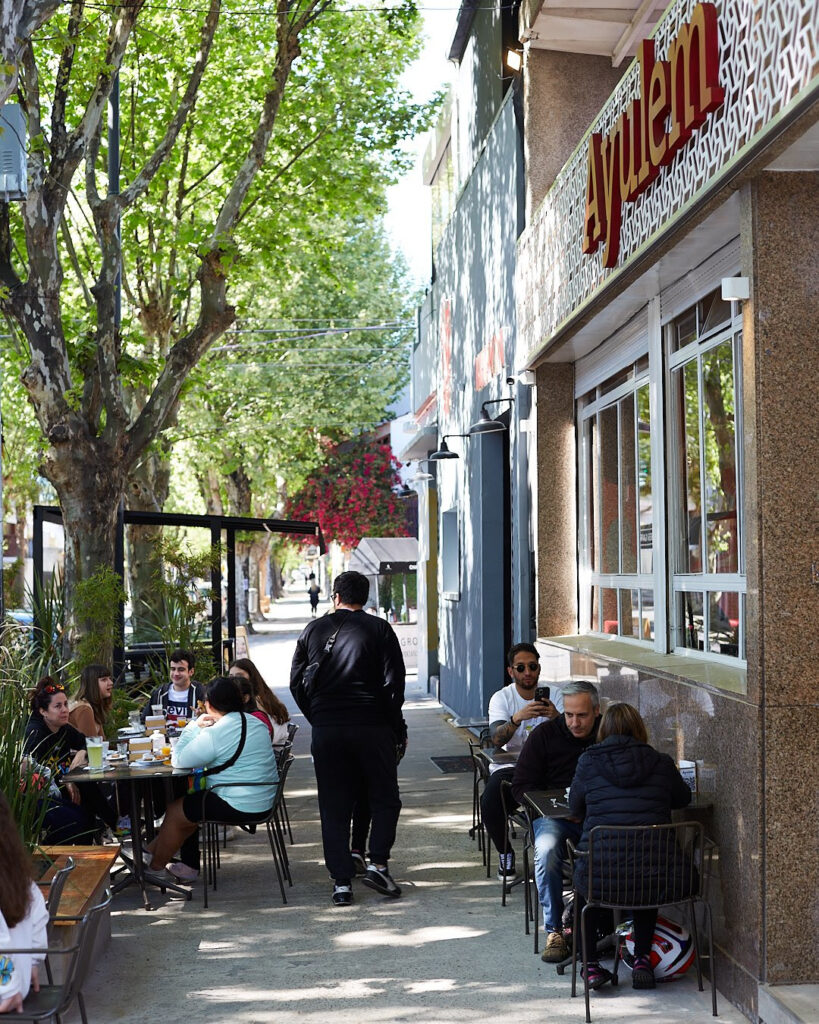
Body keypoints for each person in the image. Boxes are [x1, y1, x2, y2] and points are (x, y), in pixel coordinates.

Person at [290, 570, 406, 906]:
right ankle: (378, 864)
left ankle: (341, 882)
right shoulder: (380, 629)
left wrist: (320, 716)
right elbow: (393, 685)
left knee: (334, 804)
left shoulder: (313, 629)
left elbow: (297, 682)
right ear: (365, 598)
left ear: (335, 596)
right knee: (385, 797)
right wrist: (391, 725)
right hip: (372, 727)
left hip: (328, 730)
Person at [568, 702, 693, 991]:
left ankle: (590, 967)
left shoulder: (588, 760)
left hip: (601, 877)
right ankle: (642, 961)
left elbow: (574, 807)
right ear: (639, 729)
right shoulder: (660, 762)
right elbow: (683, 799)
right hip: (661, 876)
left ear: (604, 730)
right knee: (644, 874)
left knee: (588, 886)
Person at [139, 676, 279, 888]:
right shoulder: (256, 722)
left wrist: (194, 725)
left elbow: (179, 759)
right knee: (188, 810)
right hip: (265, 799)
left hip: (238, 803)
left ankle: (153, 870)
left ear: (209, 705)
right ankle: (149, 854)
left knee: (178, 811)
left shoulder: (217, 732)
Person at [512, 680, 601, 964]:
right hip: (554, 817)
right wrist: (547, 808)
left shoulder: (605, 734)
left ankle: (610, 925)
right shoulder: (544, 735)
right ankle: (554, 929)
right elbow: (521, 787)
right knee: (547, 850)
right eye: (569, 715)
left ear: (597, 711)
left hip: (596, 816)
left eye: (583, 715)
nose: (575, 722)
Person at [481, 643, 560, 881]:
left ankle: (556, 860)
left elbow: (575, 733)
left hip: (550, 768)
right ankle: (505, 853)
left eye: (533, 666)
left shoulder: (555, 695)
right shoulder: (502, 698)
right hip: (512, 768)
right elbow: (495, 739)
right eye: (521, 667)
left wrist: (557, 718)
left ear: (539, 668)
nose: (528, 672)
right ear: (511, 671)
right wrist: (518, 718)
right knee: (490, 801)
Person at [24, 677, 116, 843]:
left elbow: (86, 742)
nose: (65, 710)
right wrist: (66, 779)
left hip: (64, 785)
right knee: (79, 817)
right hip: (43, 796)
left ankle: (110, 829)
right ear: (43, 711)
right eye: (58, 706)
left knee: (87, 794)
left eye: (66, 704)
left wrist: (81, 753)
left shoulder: (62, 727)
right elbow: (35, 772)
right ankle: (53, 859)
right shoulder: (35, 734)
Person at [0, 790, 49, 1014]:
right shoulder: (19, 876)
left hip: (7, 991)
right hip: (21, 982)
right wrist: (33, 962)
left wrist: (8, 989)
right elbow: (39, 916)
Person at [228, 659, 290, 748]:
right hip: (274, 749)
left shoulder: (255, 701)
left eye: (239, 676)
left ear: (251, 677)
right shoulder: (263, 695)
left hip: (269, 750)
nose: (234, 680)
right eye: (231, 676)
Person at [140, 649, 205, 723]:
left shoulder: (200, 693)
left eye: (181, 669)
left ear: (191, 671)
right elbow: (144, 720)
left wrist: (203, 715)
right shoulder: (160, 693)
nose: (176, 673)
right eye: (173, 669)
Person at [69, 664, 114, 738]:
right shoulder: (84, 709)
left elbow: (102, 742)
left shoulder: (93, 705)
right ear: (92, 684)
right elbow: (92, 745)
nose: (111, 683)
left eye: (109, 678)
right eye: (104, 680)